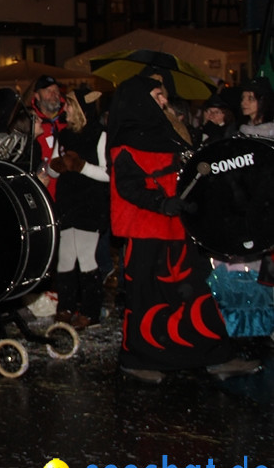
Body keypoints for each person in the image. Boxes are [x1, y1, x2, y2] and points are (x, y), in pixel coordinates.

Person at [107, 74, 261, 384]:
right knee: (147, 297)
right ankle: (138, 358)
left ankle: (213, 355)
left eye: (162, 95)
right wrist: (160, 202)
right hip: (147, 230)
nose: (163, 100)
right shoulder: (126, 142)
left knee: (195, 294)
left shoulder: (171, 133)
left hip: (180, 228)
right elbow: (128, 186)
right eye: (156, 94)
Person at [47, 88, 109, 330]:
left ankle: (91, 311)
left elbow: (107, 173)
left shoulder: (100, 134)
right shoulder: (64, 135)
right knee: (64, 259)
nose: (67, 110)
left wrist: (81, 166)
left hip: (90, 203)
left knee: (85, 257)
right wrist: (57, 166)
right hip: (68, 202)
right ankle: (66, 305)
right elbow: (53, 169)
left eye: (71, 106)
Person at [26, 74, 67, 196]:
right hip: (43, 191)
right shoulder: (30, 122)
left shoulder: (69, 119)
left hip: (67, 191)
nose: (54, 94)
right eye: (48, 91)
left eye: (56, 90)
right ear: (37, 96)